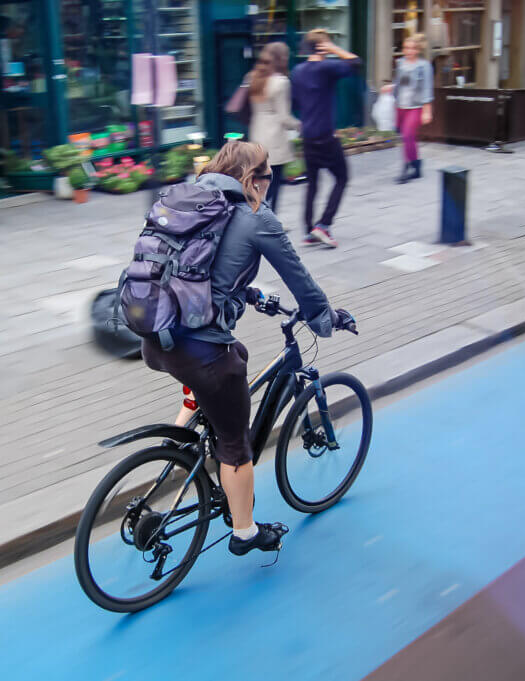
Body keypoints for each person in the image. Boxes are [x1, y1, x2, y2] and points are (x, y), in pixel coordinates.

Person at [141, 142, 352, 556]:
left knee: (232, 362)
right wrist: (326, 319)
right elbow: (301, 281)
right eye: (268, 175)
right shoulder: (256, 215)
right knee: (234, 438)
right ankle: (244, 532)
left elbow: (195, 269)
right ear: (250, 178)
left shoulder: (190, 199)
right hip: (199, 350)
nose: (271, 183)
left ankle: (180, 447)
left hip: (154, 336)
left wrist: (250, 292)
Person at [291, 29, 362, 249]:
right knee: (342, 178)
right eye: (327, 44)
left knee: (313, 184)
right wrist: (335, 49)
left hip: (308, 136)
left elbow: (294, 103)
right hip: (325, 136)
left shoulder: (297, 71)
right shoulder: (327, 67)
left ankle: (308, 231)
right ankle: (323, 225)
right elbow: (357, 63)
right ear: (322, 47)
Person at [247, 42, 300, 213]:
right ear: (282, 59)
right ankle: (270, 223)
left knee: (259, 184)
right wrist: (299, 125)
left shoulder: (253, 77)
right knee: (274, 185)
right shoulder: (281, 82)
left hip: (256, 135)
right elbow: (284, 117)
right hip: (274, 139)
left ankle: (257, 218)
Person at [383, 34, 433, 184]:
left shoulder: (424, 66)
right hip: (400, 106)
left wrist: (427, 110)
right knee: (407, 137)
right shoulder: (401, 63)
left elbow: (427, 89)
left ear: (418, 50)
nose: (409, 51)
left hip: (416, 107)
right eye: (406, 48)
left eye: (412, 48)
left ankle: (406, 169)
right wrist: (391, 87)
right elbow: (401, 83)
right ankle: (417, 165)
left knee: (407, 135)